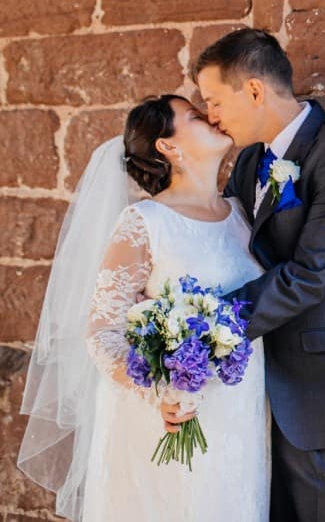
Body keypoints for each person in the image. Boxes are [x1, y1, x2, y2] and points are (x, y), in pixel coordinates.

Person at [18, 95, 270, 521]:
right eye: (193, 115)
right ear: (168, 147)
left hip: (238, 411)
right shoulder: (145, 223)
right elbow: (102, 331)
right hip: (170, 417)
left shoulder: (239, 214)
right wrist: (161, 394)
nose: (210, 115)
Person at [191, 28, 325, 521]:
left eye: (214, 100)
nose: (211, 115)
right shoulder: (250, 161)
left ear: (253, 90)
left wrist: (206, 328)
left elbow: (311, 273)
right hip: (272, 392)